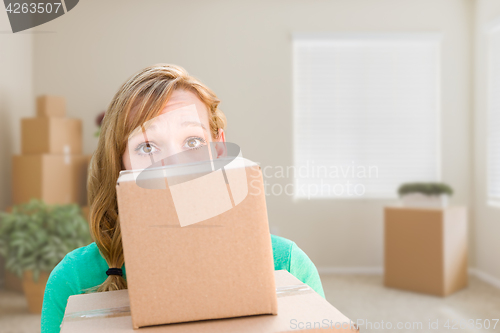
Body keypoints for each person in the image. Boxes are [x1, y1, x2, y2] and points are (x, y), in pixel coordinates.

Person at [40, 64, 325, 333]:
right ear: (121, 163)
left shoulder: (287, 266)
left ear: (219, 150)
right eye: (147, 146)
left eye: (193, 142)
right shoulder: (73, 281)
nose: (173, 165)